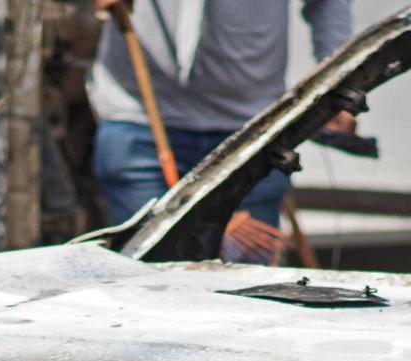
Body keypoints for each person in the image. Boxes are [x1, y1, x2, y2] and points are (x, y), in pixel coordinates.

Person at [90, 0, 354, 233]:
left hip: (252, 129)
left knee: (244, 282)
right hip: (140, 117)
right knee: (143, 280)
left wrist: (339, 77)